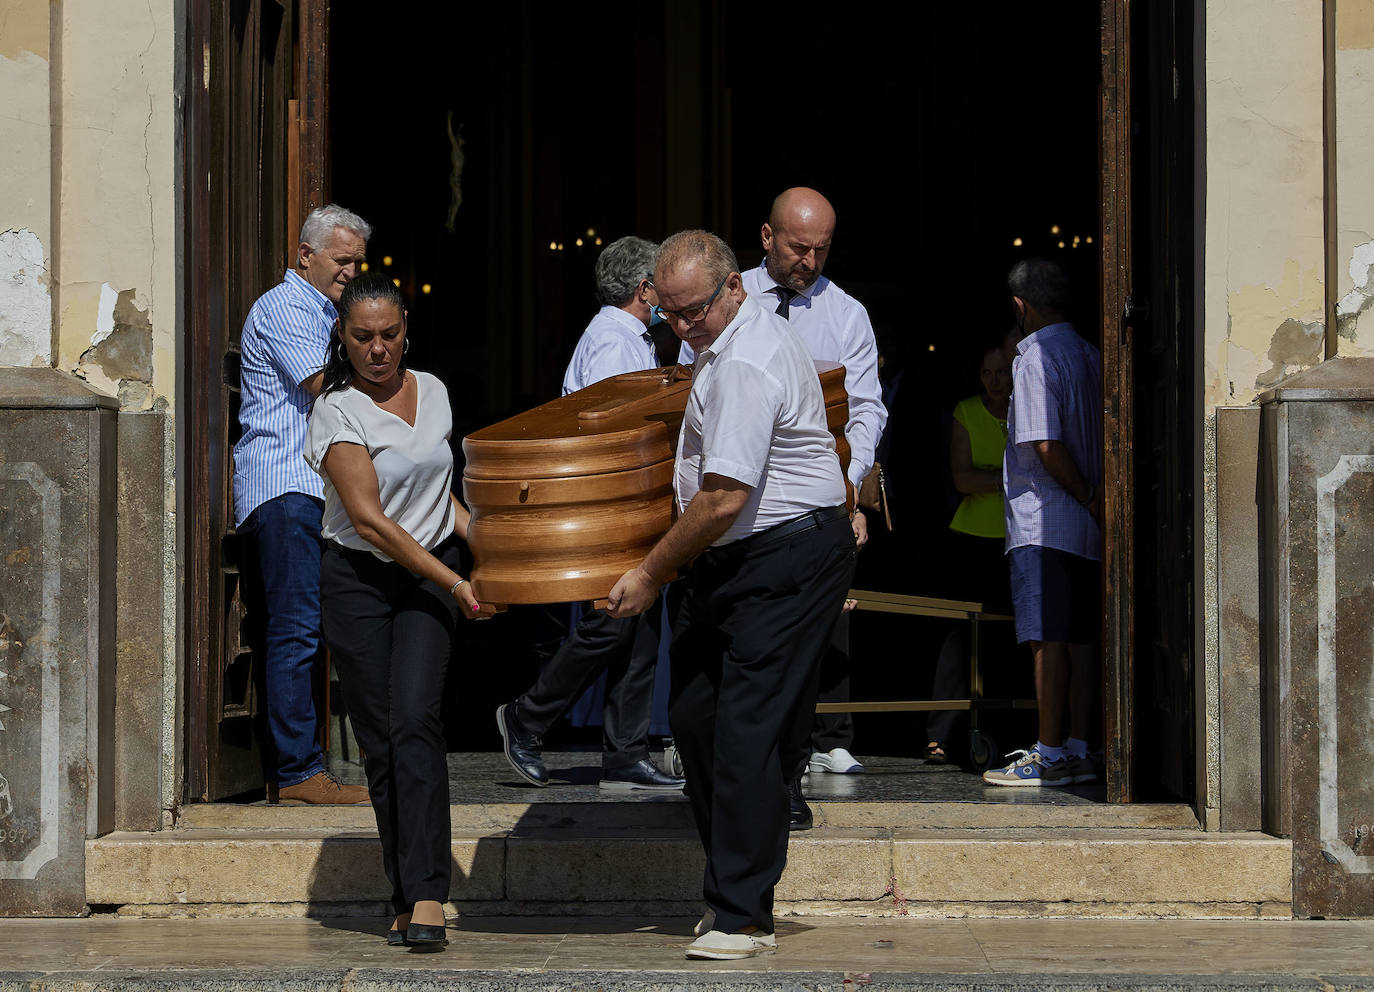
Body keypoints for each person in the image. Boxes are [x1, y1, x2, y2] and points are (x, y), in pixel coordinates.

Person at [606, 231, 856, 960]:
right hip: (738, 560)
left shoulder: (746, 357)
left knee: (746, 727)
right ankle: (735, 888)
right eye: (671, 315)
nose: (682, 328)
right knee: (695, 716)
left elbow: (722, 498)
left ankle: (743, 912)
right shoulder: (720, 344)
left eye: (695, 312)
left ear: (735, 289)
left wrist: (650, 572)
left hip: (785, 555)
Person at [306, 273, 486, 950]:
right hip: (359, 578)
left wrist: (490, 551)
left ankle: (430, 891)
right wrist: (457, 581)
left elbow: (445, 501)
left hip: (428, 575)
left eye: (389, 334)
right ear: (343, 339)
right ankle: (404, 890)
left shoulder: (435, 391)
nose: (378, 349)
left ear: (406, 326)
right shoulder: (336, 409)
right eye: (362, 337)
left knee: (416, 720)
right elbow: (371, 522)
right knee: (382, 741)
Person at [496, 236, 685, 792]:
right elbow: (606, 425)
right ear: (645, 288)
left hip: (633, 506)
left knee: (639, 627)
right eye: (662, 285)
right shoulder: (612, 339)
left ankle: (625, 751)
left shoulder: (626, 337)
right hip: (615, 507)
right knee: (610, 624)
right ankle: (525, 717)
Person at [744, 187, 887, 830]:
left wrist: (850, 485)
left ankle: (788, 774)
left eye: (822, 249)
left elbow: (868, 409)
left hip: (813, 505)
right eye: (799, 247)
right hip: (738, 502)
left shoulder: (847, 315)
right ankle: (739, 775)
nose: (810, 260)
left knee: (805, 650)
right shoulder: (730, 300)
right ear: (768, 237)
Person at [233, 203, 371, 805]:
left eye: (357, 262)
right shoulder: (287, 306)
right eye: (342, 261)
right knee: (296, 631)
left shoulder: (326, 312)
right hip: (286, 486)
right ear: (305, 255)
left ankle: (315, 763)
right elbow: (330, 389)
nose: (351, 272)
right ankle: (296, 773)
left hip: (317, 492)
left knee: (318, 627)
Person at [983, 258, 1103, 787]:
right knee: (1079, 639)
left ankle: (1050, 753)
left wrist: (1085, 494)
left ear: (1019, 306)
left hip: (1045, 519)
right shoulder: (1092, 354)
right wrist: (1094, 501)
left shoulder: (1034, 357)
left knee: (1047, 640)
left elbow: (1044, 443)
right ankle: (1078, 745)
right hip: (1084, 525)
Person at [925, 331, 1013, 764]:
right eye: (988, 372)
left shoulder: (1024, 410)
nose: (995, 381)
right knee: (959, 639)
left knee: (1007, 638)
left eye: (1002, 372)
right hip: (971, 538)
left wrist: (990, 479)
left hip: (1016, 538)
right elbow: (963, 480)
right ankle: (940, 732)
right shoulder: (966, 411)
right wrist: (1013, 479)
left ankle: (1007, 728)